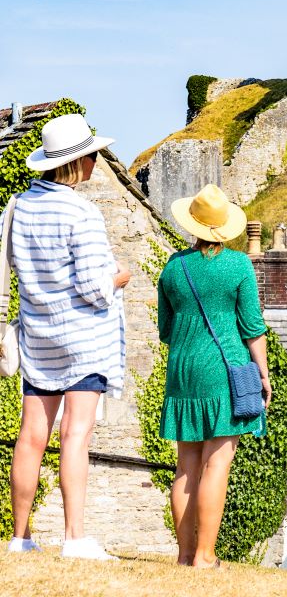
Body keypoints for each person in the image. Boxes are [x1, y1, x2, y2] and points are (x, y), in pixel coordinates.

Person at [4, 113, 130, 559]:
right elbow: (94, 288)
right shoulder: (83, 212)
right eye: (93, 154)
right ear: (80, 162)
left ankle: (20, 537)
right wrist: (120, 277)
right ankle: (74, 537)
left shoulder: (17, 207)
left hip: (38, 336)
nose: (96, 161)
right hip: (83, 340)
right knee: (76, 436)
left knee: (30, 437)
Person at [158, 183, 272, 568]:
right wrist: (264, 375)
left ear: (193, 225)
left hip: (182, 371)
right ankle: (205, 556)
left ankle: (185, 554)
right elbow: (252, 327)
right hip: (224, 371)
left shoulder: (174, 267)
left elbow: (165, 329)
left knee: (186, 466)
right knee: (216, 464)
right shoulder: (238, 265)